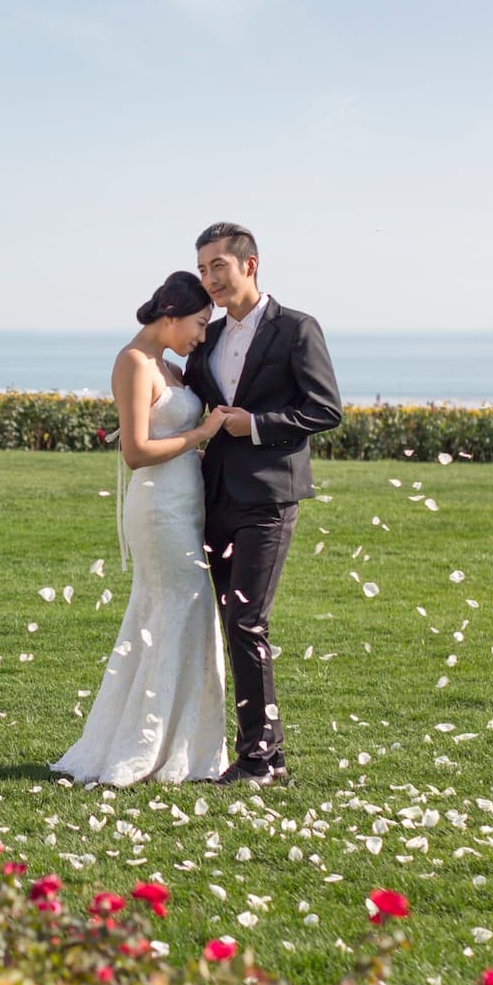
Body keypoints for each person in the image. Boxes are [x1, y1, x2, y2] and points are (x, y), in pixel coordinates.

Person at [53, 272, 230, 787]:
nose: (201, 336)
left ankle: (184, 743)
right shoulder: (133, 363)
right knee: (173, 610)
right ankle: (151, 743)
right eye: (198, 324)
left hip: (185, 503)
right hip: (159, 511)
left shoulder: (169, 365)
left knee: (183, 614)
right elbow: (134, 452)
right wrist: (200, 434)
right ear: (171, 316)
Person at [182, 222, 342, 784]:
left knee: (247, 620)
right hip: (214, 497)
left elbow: (325, 410)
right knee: (232, 622)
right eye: (202, 269)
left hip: (270, 497)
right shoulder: (210, 335)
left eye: (217, 267)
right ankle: (264, 756)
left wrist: (255, 425)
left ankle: (258, 759)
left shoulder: (297, 329)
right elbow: (191, 394)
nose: (209, 279)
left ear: (250, 265)